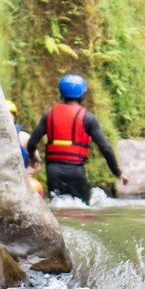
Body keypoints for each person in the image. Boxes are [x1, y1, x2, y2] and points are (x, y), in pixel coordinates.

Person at [27, 74, 129, 204]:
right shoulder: (88, 118)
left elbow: (32, 143)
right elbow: (105, 148)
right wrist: (118, 173)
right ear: (82, 94)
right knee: (82, 208)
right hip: (76, 171)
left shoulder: (49, 115)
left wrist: (34, 158)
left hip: (53, 171)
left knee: (59, 205)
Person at [6, 100, 41, 176]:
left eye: (9, 114)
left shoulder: (23, 137)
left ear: (14, 117)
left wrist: (21, 176)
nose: (6, 118)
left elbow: (36, 166)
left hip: (23, 178)